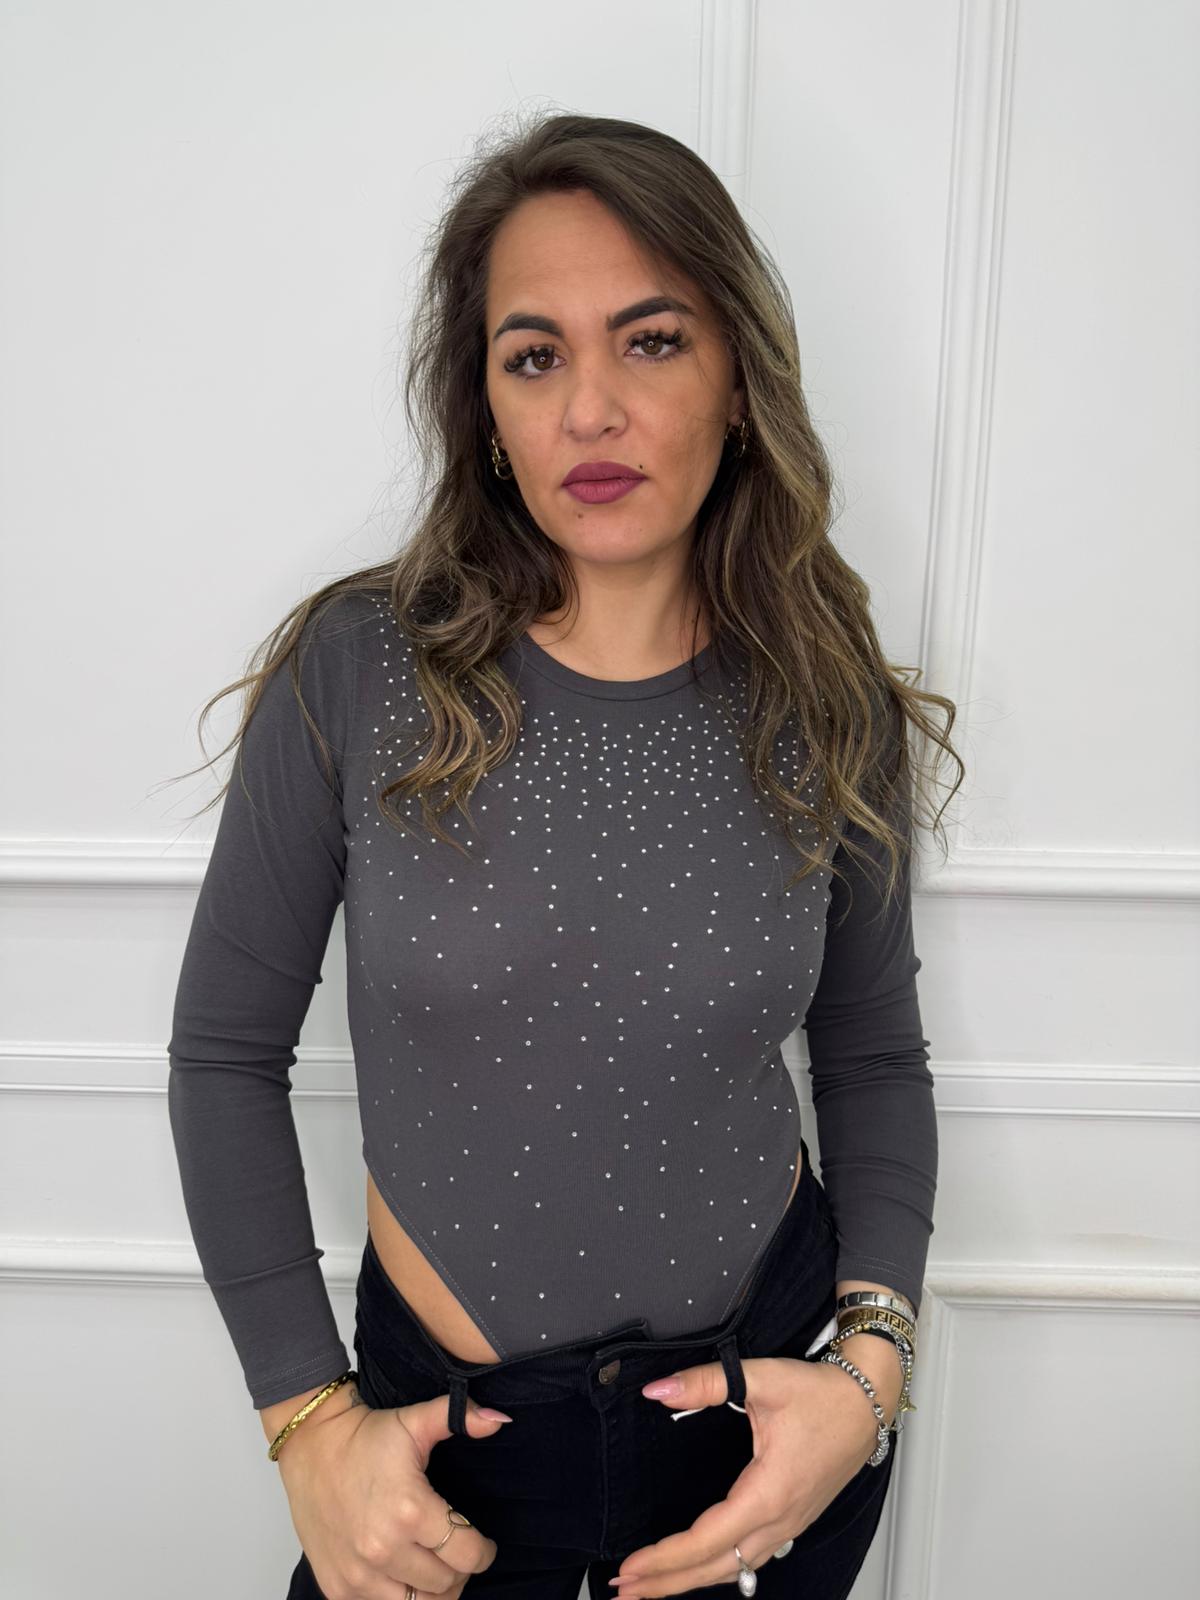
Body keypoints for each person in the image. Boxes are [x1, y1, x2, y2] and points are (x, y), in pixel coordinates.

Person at [166, 111, 963, 1600]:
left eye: (651, 342)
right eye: (534, 357)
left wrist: (869, 1376)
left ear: (739, 380)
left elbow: (872, 1060)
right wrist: (306, 1423)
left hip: (764, 1428)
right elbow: (222, 1055)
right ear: (484, 407)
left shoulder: (824, 694)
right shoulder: (361, 670)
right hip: (449, 1462)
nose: (592, 409)